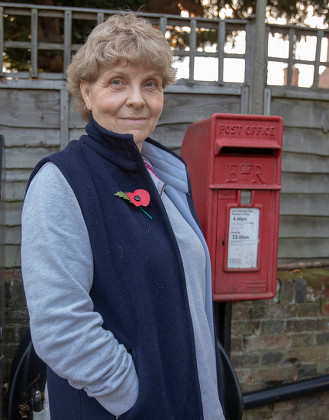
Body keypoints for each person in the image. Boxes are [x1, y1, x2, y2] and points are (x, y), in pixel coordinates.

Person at [21, 13, 225, 420]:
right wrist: (136, 397)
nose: (137, 98)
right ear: (86, 91)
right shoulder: (62, 181)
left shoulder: (165, 175)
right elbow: (61, 328)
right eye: (117, 81)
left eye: (150, 84)